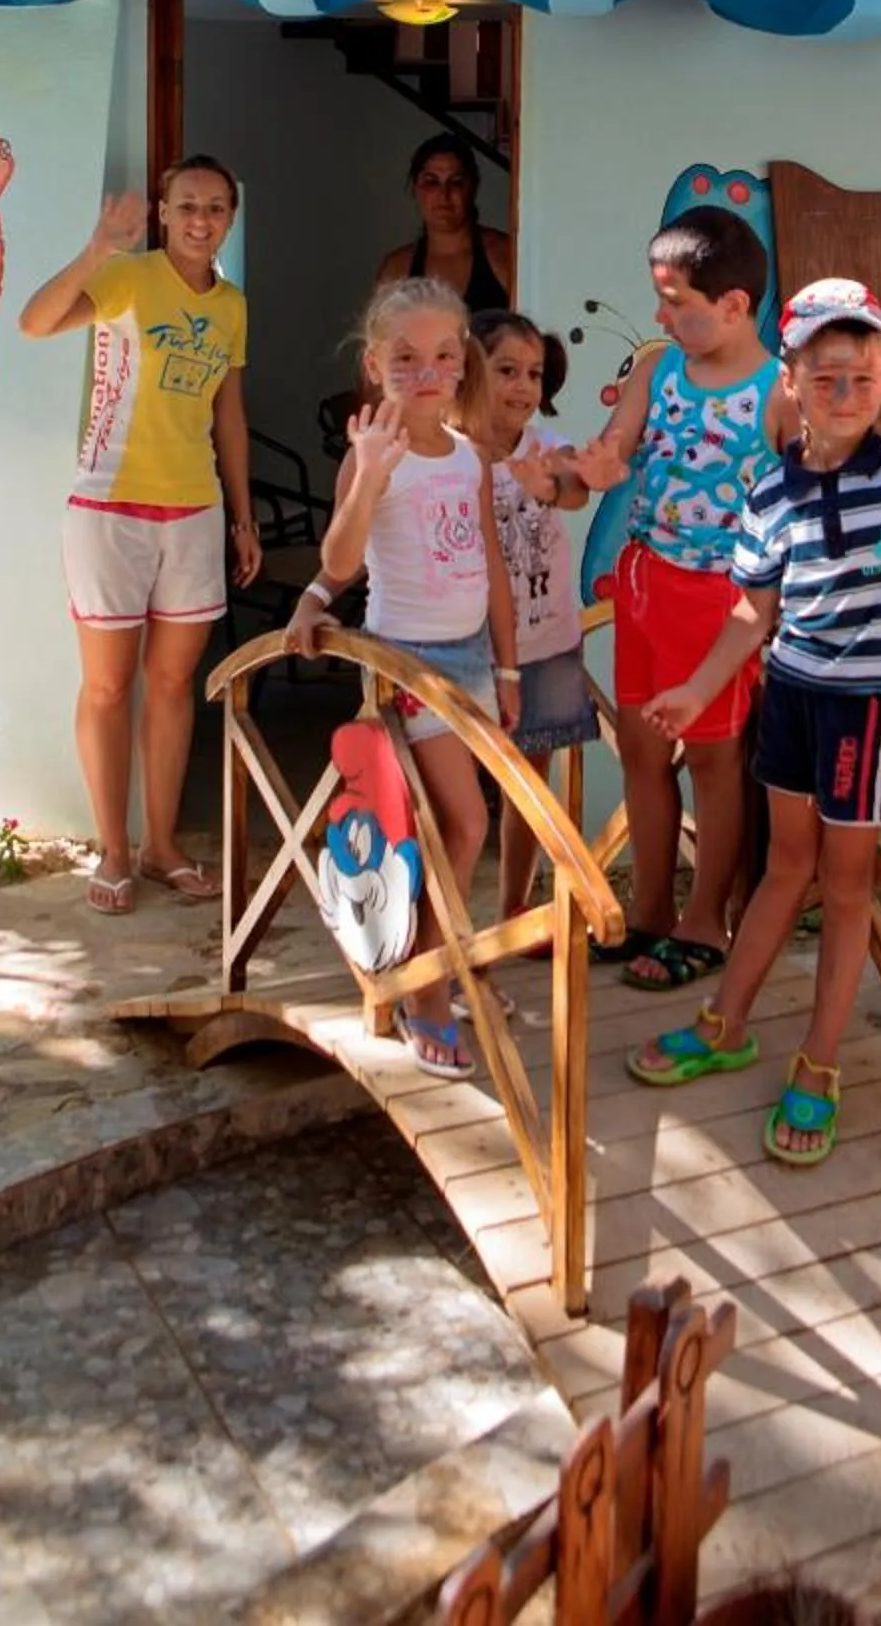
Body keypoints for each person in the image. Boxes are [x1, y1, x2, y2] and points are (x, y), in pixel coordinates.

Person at [624, 278, 881, 1167]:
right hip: (790, 697)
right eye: (825, 378)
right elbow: (753, 612)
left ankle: (819, 1064)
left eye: (861, 376)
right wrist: (701, 693)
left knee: (845, 886)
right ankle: (725, 1023)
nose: (845, 393)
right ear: (792, 385)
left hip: (867, 713)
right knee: (783, 869)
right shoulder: (770, 496)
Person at [284, 277, 520, 1074]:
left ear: (463, 364)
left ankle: (442, 964)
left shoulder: (467, 458)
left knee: (452, 827)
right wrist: (370, 475)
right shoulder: (370, 457)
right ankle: (425, 988)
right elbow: (342, 562)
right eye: (407, 358)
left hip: (472, 664)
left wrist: (509, 666)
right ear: (376, 364)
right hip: (406, 665)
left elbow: (488, 561)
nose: (428, 371)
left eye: (444, 356)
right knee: (464, 824)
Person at [18, 155, 261, 915]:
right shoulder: (128, 277)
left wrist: (244, 516)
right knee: (108, 685)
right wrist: (96, 252)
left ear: (231, 215)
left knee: (171, 685)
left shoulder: (232, 306)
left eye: (216, 207)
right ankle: (113, 849)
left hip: (194, 512)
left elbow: (229, 414)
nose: (201, 220)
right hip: (109, 510)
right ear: (163, 212)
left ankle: (160, 847)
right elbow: (33, 323)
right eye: (187, 205)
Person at [570, 204, 781, 993]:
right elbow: (618, 447)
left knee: (719, 765)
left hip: (723, 602)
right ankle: (650, 908)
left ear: (733, 305)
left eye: (676, 301)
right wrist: (593, 467)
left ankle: (706, 921)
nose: (660, 315)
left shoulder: (777, 393)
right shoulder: (659, 368)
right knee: (642, 751)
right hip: (644, 582)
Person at [473, 309, 599, 919]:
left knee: (526, 784)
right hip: (468, 645)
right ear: (469, 369)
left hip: (544, 642)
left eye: (534, 374)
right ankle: (431, 921)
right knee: (449, 793)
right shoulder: (447, 454)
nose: (524, 387)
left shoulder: (545, 449)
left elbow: (575, 489)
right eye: (506, 371)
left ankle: (515, 912)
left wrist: (549, 486)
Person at [374, 129, 513, 311]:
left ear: (472, 188)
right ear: (415, 188)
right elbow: (382, 335)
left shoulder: (503, 255)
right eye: (432, 182)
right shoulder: (396, 270)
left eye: (455, 182)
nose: (444, 194)